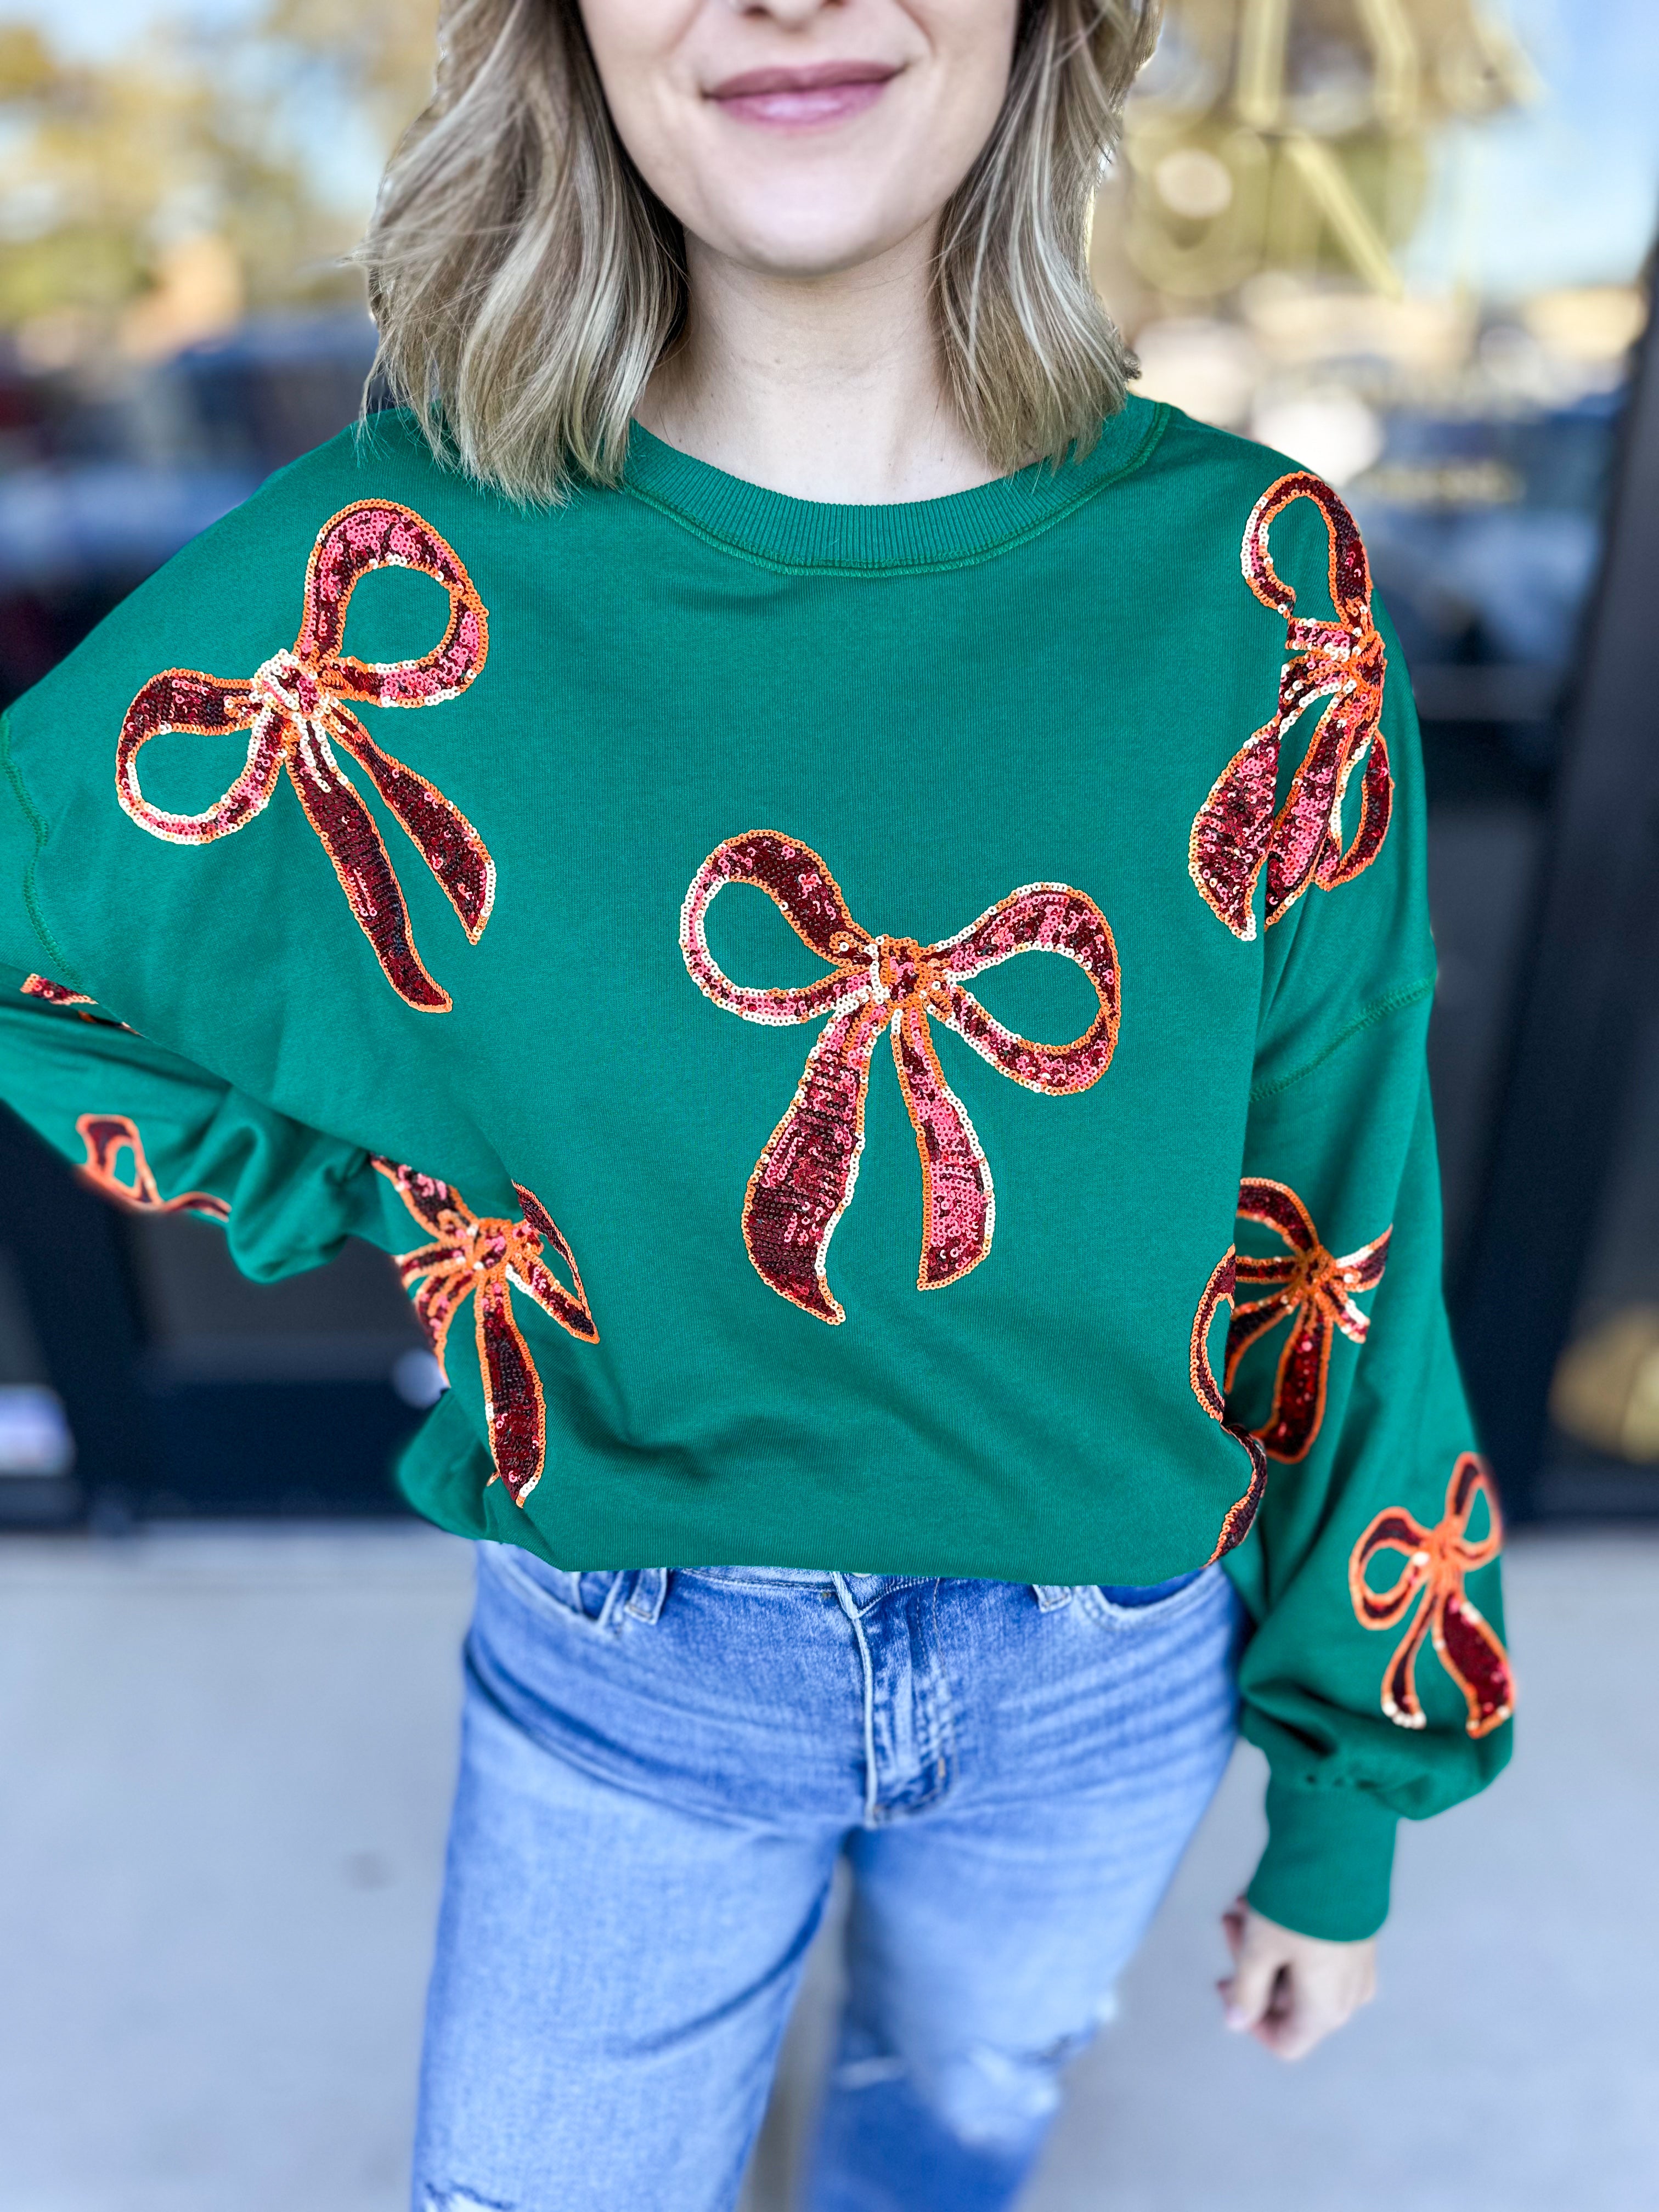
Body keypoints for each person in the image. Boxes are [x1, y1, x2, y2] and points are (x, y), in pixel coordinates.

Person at [0, 0, 1514, 2202]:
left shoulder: (1251, 574)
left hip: (1104, 1675)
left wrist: (1352, 1802)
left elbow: (1340, 1207)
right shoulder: (395, 559)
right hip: (628, 1659)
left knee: (958, 2124)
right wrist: (416, 1194)